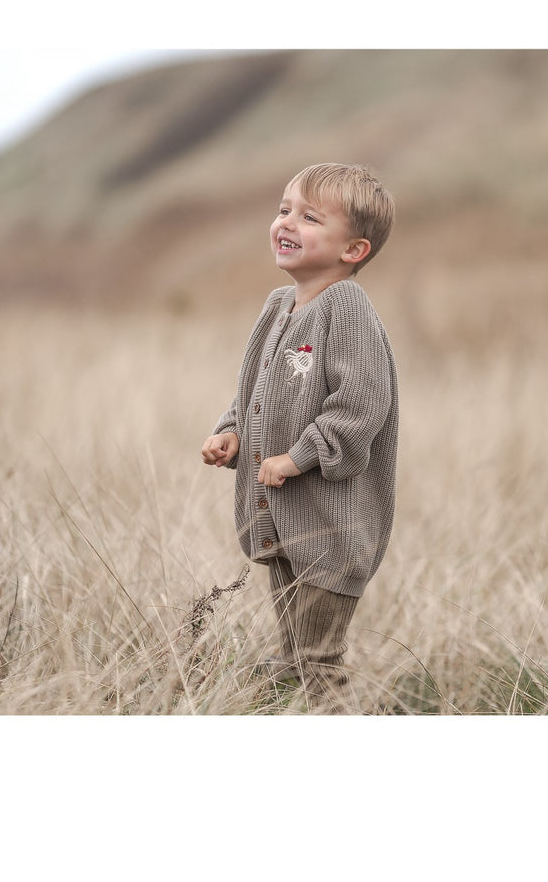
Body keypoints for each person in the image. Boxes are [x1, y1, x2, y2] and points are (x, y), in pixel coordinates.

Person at [201, 162, 399, 713]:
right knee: (292, 658)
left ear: (353, 250)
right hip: (287, 522)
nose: (287, 223)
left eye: (310, 218)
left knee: (317, 662)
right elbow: (255, 392)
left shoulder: (347, 308)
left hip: (332, 527)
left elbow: (361, 405)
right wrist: (232, 432)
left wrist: (298, 457)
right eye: (284, 210)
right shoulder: (278, 306)